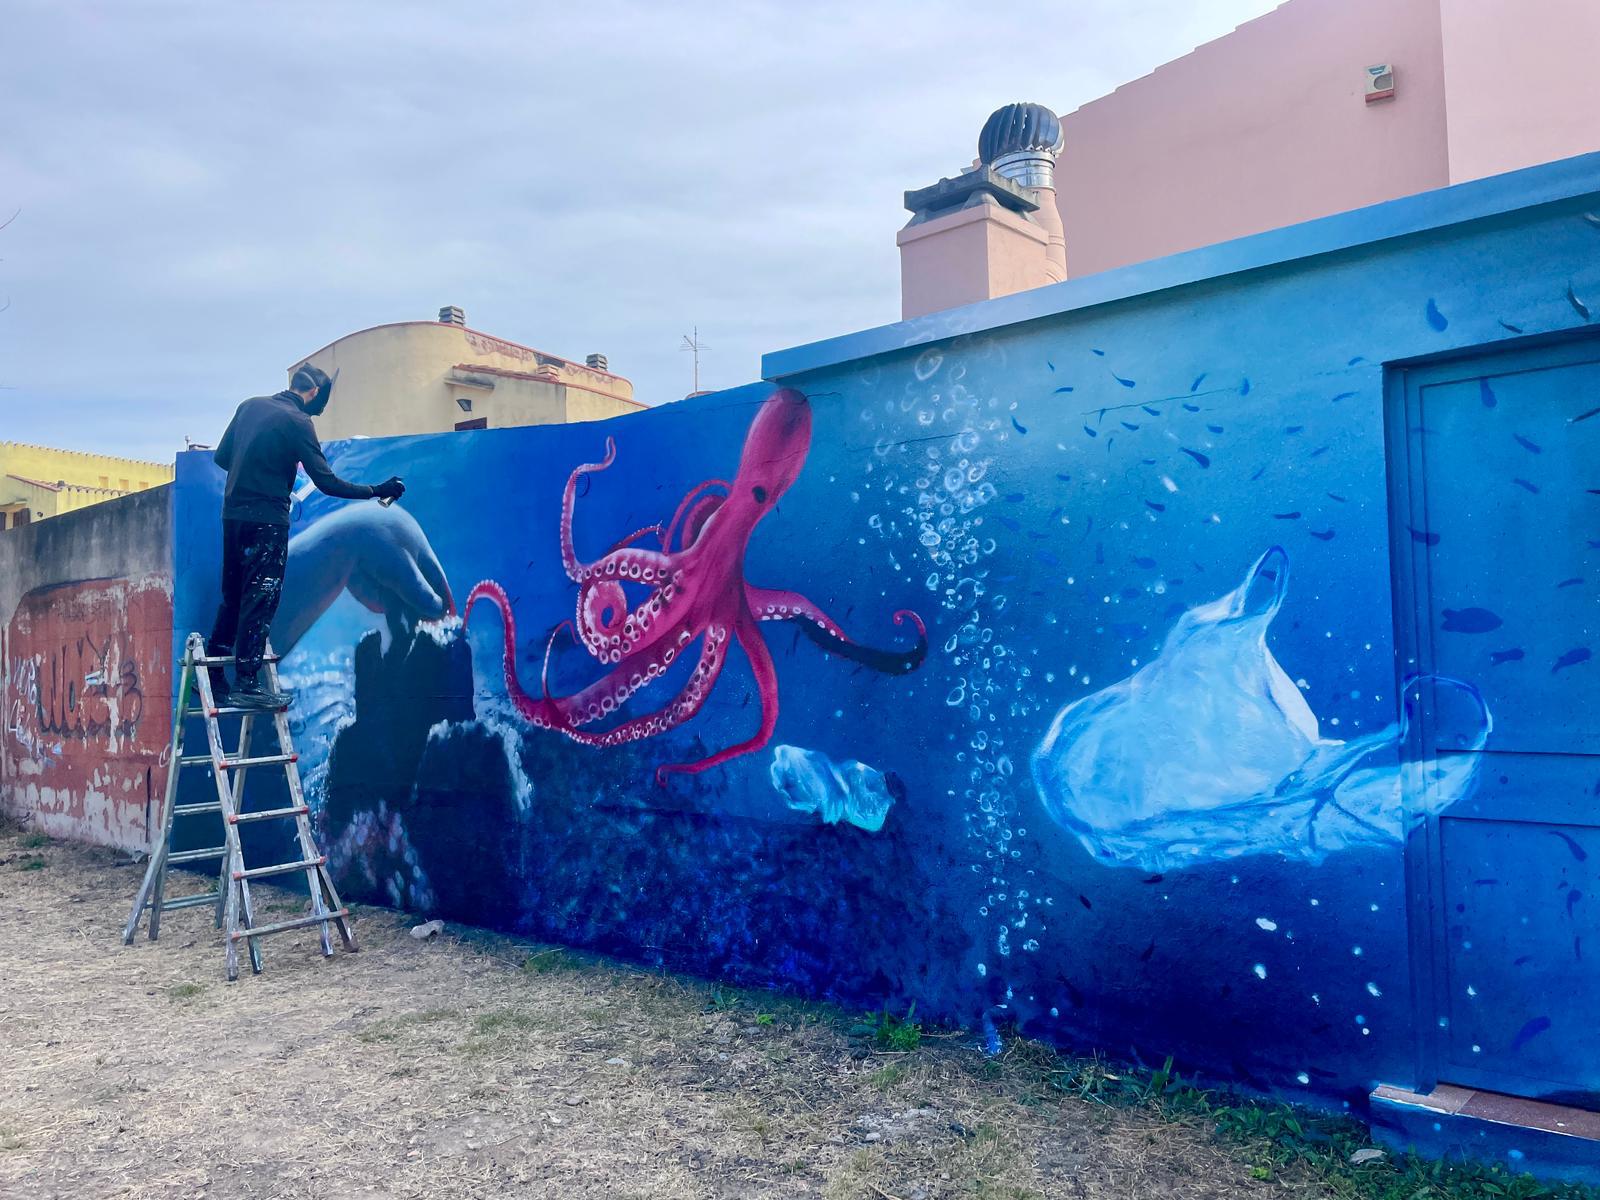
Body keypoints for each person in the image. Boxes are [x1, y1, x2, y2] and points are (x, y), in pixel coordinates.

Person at [207, 363, 405, 710]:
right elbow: (327, 482)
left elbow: (224, 458)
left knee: (234, 595)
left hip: (233, 514)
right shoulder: (299, 423)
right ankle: (248, 683)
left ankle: (213, 678)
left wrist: (259, 466)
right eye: (322, 401)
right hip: (267, 519)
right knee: (261, 597)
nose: (321, 408)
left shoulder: (249, 406)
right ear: (312, 393)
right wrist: (377, 490)